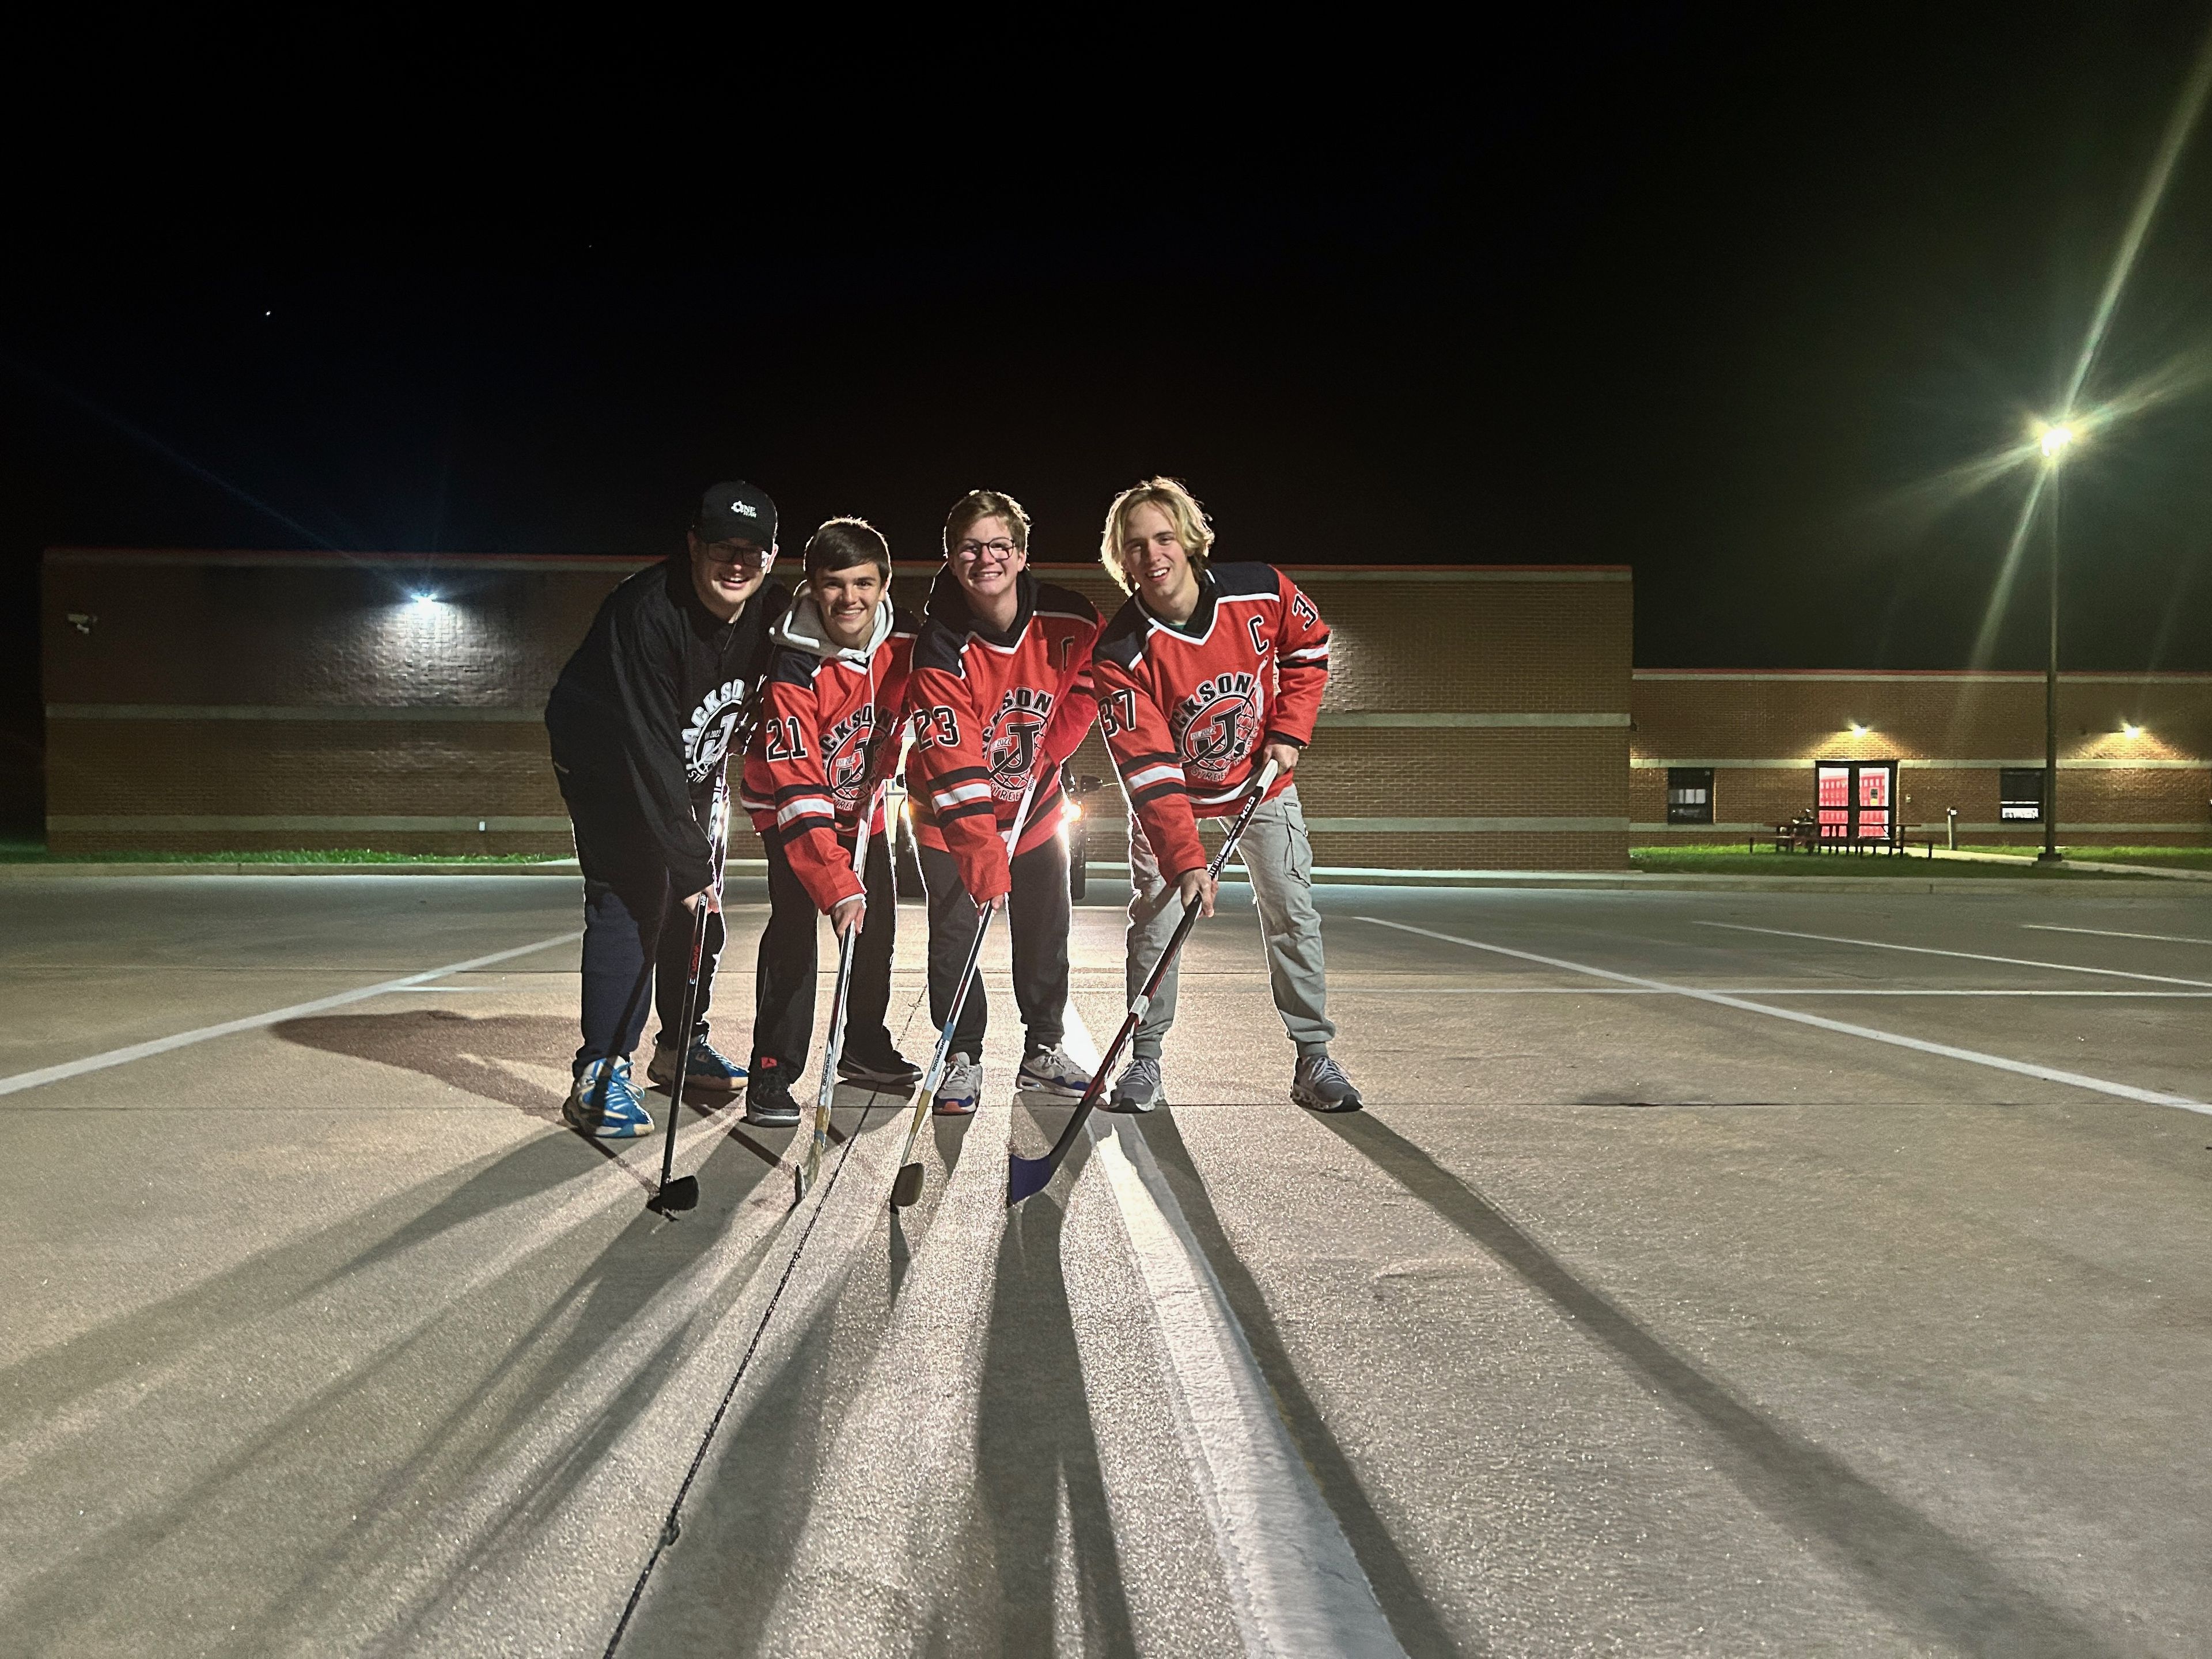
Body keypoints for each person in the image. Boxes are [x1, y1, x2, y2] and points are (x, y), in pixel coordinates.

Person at [1089, 476, 1362, 1113]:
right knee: (1157, 925)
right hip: (1173, 801)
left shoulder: (1261, 589)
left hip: (1262, 788)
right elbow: (1149, 770)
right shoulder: (1121, 653)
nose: (1152, 554)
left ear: (1188, 539)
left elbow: (1309, 646)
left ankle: (1313, 1057)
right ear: (1121, 560)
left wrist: (1291, 730)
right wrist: (1186, 861)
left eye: (1163, 537)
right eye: (1135, 545)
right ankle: (1145, 1061)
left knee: (1292, 914)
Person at [544, 480, 789, 1137]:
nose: (736, 564)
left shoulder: (773, 610)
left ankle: (681, 1043)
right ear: (692, 545)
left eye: (752, 551)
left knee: (701, 905)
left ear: (771, 556)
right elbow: (648, 749)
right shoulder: (646, 613)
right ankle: (600, 1071)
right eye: (721, 548)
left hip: (691, 763)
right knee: (637, 894)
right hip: (610, 763)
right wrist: (686, 865)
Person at [904, 489, 1101, 1115]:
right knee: (957, 930)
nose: (984, 558)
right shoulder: (938, 645)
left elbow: (1090, 682)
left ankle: (1044, 1049)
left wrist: (1053, 749)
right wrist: (986, 860)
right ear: (952, 558)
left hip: (1034, 805)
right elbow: (953, 761)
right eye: (969, 547)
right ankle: (961, 1054)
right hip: (949, 817)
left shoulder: (1072, 620)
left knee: (1047, 929)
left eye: (998, 546)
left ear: (1020, 555)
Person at [740, 518, 921, 1127]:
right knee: (796, 931)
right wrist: (835, 881)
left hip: (859, 809)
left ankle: (863, 1043)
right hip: (791, 811)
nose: (851, 599)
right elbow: (795, 782)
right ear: (812, 587)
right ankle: (773, 1066)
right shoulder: (793, 663)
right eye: (834, 584)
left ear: (885, 583)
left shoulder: (905, 645)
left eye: (864, 583)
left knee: (877, 931)